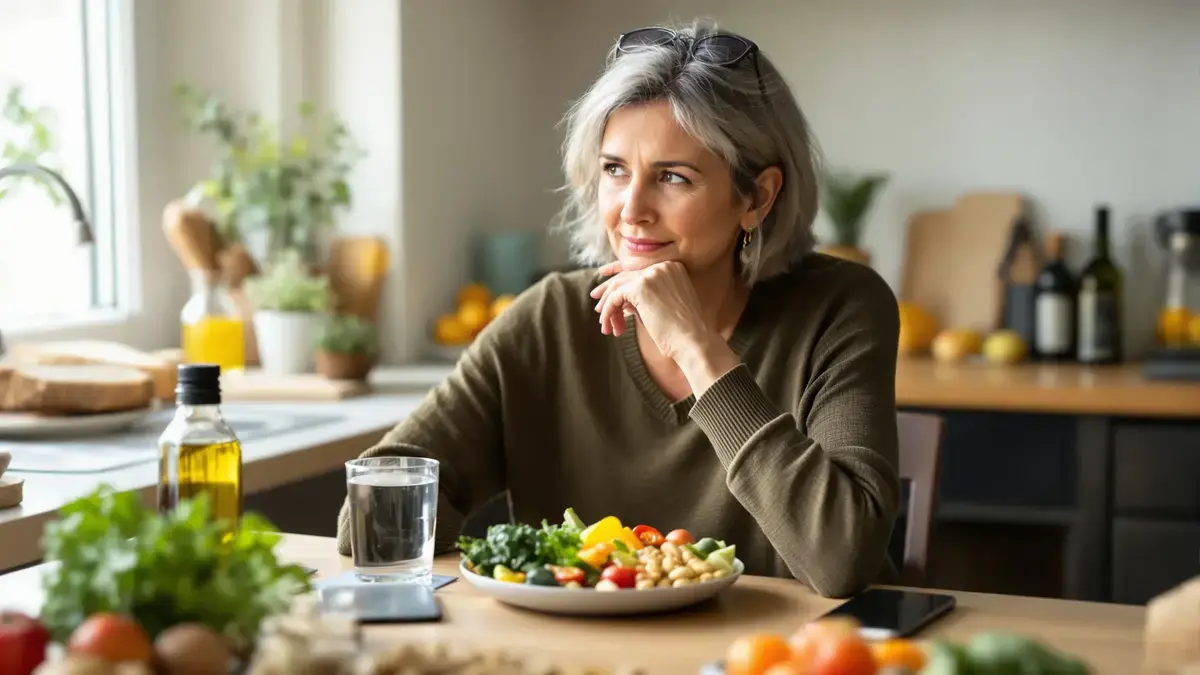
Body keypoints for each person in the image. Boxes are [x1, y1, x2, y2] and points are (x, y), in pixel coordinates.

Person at [336, 20, 901, 598]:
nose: (631, 209)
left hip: (777, 645)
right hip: (578, 644)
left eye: (673, 177)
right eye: (614, 170)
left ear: (757, 197)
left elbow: (841, 560)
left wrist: (698, 350)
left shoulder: (840, 308)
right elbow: (369, 518)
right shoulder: (550, 317)